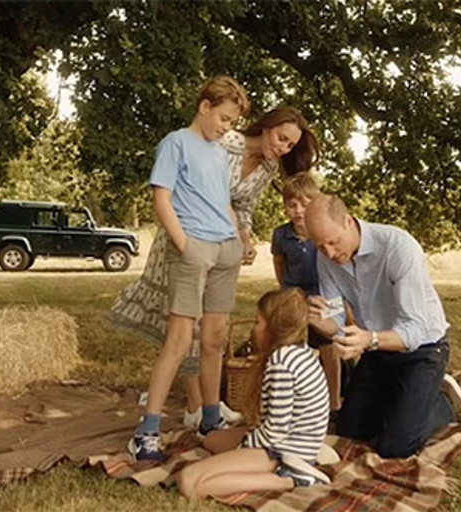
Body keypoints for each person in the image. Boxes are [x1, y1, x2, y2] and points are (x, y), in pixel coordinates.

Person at [110, 107, 320, 428]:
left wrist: (245, 240)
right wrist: (188, 240)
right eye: (281, 138)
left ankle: (206, 408)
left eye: (290, 146)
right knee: (185, 327)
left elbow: (243, 206)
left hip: (223, 242)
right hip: (187, 237)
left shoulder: (268, 167)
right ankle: (195, 405)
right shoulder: (225, 141)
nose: (283, 148)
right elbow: (186, 185)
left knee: (213, 329)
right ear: (267, 127)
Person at [129, 76, 249, 461]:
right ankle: (146, 431)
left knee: (214, 339)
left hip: (225, 251)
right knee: (180, 341)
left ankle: (210, 420)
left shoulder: (218, 152)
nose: (226, 128)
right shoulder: (176, 143)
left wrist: (238, 237)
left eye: (232, 122)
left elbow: (222, 200)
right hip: (194, 248)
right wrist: (186, 246)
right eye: (224, 119)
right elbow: (161, 199)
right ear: (205, 107)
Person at [303, 194, 461, 459]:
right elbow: (336, 321)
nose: (329, 253)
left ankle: (442, 401)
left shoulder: (397, 246)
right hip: (376, 349)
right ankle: (403, 401)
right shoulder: (324, 257)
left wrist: (369, 340)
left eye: (333, 242)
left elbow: (416, 329)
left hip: (423, 349)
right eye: (320, 245)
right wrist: (320, 321)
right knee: (351, 432)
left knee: (396, 447)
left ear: (349, 222)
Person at [177, 288, 330, 500]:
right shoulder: (299, 350)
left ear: (274, 328)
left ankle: (289, 479)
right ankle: (273, 466)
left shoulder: (281, 364)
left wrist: (243, 448)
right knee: (211, 440)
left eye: (258, 322)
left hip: (281, 451)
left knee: (189, 481)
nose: (253, 329)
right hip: (288, 441)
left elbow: (275, 433)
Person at [270, 173, 345, 415]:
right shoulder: (281, 235)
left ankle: (334, 400)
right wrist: (290, 293)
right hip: (294, 295)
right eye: (292, 205)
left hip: (325, 295)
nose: (298, 210)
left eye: (305, 204)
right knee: (289, 346)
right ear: (285, 207)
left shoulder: (321, 233)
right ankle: (292, 401)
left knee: (329, 346)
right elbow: (279, 266)